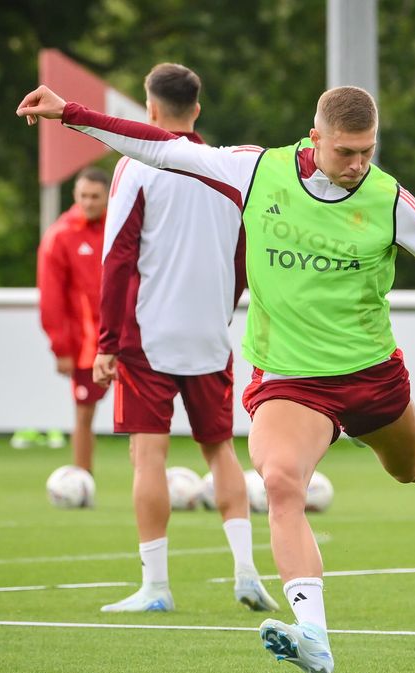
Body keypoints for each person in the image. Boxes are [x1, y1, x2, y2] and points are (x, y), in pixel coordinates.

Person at [17, 83, 415, 673]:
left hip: (372, 375)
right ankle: (314, 638)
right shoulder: (257, 172)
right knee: (280, 482)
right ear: (315, 139)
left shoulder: (389, 201)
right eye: (346, 152)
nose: (359, 164)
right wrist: (71, 114)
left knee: (410, 470)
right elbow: (159, 147)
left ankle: (372, 446)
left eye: (368, 151)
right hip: (291, 381)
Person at [90, 63, 277, 614]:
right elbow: (246, 255)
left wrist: (106, 341)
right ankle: (246, 572)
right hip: (209, 334)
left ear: (149, 108)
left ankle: (155, 587)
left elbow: (117, 255)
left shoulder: (135, 166)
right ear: (197, 110)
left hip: (150, 335)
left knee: (148, 455)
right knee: (219, 449)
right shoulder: (228, 169)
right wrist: (223, 307)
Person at [36, 166, 111, 474]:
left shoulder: (124, 226)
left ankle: (147, 481)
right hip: (86, 344)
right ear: (74, 196)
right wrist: (61, 347)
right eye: (83, 196)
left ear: (108, 197)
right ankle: (83, 482)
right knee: (84, 413)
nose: (89, 202)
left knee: (143, 416)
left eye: (95, 196)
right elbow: (51, 298)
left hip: (131, 340)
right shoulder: (60, 236)